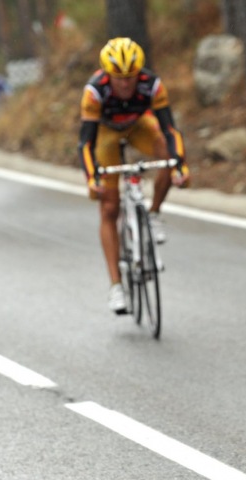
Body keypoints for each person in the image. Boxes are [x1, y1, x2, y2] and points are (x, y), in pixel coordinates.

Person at [78, 37, 188, 314]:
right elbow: (86, 143)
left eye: (131, 77)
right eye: (119, 78)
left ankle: (153, 213)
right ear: (107, 74)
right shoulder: (94, 92)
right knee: (109, 207)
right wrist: (93, 178)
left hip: (139, 125)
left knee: (165, 150)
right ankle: (116, 286)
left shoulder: (152, 84)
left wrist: (179, 167)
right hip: (106, 134)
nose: (126, 84)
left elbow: (170, 130)